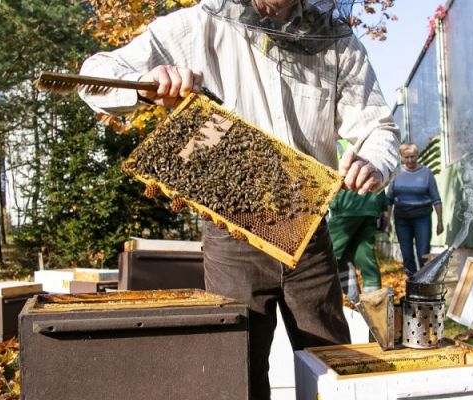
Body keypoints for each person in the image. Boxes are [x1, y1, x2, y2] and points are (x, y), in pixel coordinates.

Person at [78, 1, 400, 397]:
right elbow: (94, 75)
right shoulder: (199, 25)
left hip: (308, 231)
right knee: (237, 370)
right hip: (232, 232)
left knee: (333, 365)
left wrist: (374, 160)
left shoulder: (335, 42)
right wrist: (148, 81)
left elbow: (378, 127)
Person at [329, 139, 387, 301]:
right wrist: (382, 209)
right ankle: (373, 305)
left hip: (347, 207)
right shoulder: (367, 137)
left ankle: (349, 299)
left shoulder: (337, 143)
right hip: (370, 205)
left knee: (329, 254)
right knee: (365, 256)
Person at [386, 143, 443, 275]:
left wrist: (440, 221)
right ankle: (411, 283)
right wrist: (387, 222)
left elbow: (436, 199)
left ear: (417, 155)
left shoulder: (427, 173)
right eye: (407, 157)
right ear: (401, 157)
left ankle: (424, 281)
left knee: (423, 253)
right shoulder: (396, 174)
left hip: (422, 219)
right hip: (402, 220)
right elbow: (389, 200)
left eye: (412, 156)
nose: (410, 160)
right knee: (407, 255)